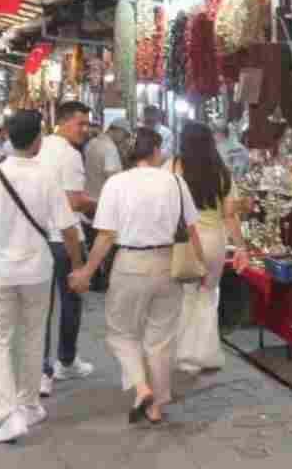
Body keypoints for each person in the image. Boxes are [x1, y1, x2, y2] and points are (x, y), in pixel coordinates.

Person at [68, 128, 203, 425]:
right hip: (168, 263)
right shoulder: (175, 182)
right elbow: (192, 229)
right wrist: (201, 266)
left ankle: (142, 389)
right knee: (161, 339)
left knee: (121, 333)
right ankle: (157, 405)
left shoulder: (116, 184)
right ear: (155, 151)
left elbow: (105, 236)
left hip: (130, 263)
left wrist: (86, 271)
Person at [0, 110, 82, 443]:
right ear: (38, 140)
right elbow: (68, 227)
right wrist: (77, 265)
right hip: (37, 270)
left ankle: (9, 413)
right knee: (33, 336)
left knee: (0, 340)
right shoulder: (47, 176)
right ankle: (29, 404)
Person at [168, 122, 248, 373]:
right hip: (214, 240)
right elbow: (230, 215)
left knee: (185, 295)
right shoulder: (221, 171)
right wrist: (241, 247)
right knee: (208, 294)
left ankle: (183, 355)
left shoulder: (172, 166)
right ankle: (205, 353)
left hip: (184, 240)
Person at [36, 101, 97, 396]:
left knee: (41, 307)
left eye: (87, 124)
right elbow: (74, 201)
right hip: (66, 239)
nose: (84, 130)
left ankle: (41, 372)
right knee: (72, 300)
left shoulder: (40, 147)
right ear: (62, 122)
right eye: (79, 124)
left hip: (38, 238)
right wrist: (98, 205)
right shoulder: (70, 155)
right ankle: (66, 360)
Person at [84, 119, 129, 202]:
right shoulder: (109, 148)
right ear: (118, 131)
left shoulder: (91, 142)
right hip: (102, 200)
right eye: (125, 135)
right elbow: (112, 177)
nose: (124, 139)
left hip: (88, 197)